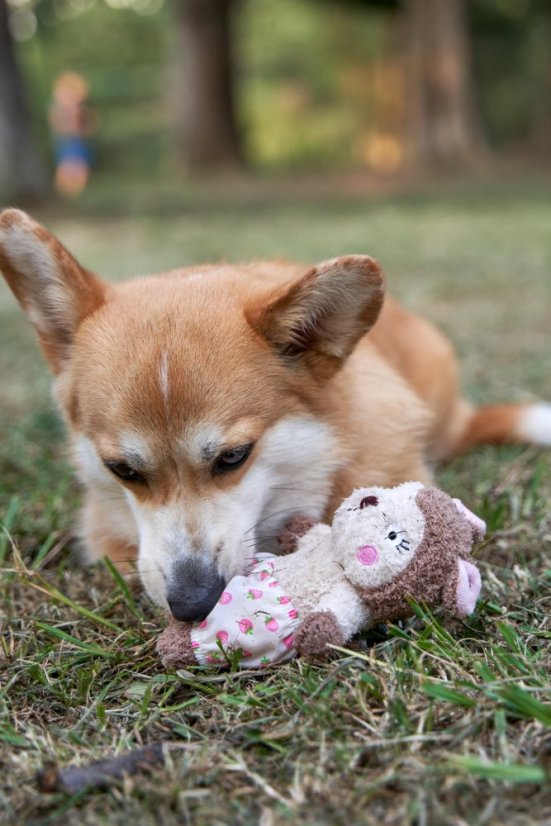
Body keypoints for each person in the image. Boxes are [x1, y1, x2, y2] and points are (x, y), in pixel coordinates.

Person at [49, 72, 95, 196]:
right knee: (66, 166)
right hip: (67, 142)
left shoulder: (82, 110)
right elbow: (58, 125)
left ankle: (77, 192)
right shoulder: (59, 111)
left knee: (80, 166)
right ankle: (65, 191)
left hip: (78, 142)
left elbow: (89, 126)